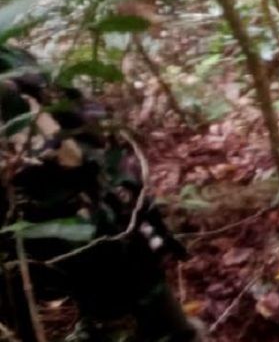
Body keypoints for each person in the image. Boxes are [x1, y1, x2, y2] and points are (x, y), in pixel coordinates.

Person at [0, 44, 198, 341]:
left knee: (140, 306)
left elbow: (65, 155)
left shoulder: (9, 75)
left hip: (85, 215)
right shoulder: (11, 54)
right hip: (95, 206)